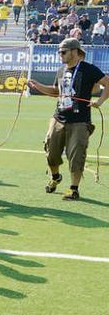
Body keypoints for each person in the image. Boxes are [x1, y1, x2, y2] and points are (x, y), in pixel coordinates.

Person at [28, 38, 109, 200]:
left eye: (63, 52)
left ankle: (73, 188)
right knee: (51, 152)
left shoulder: (89, 69)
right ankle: (56, 176)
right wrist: (38, 86)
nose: (60, 55)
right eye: (59, 52)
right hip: (58, 118)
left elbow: (107, 83)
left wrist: (99, 102)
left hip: (80, 121)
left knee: (77, 155)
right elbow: (56, 92)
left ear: (75, 52)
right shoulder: (61, 70)